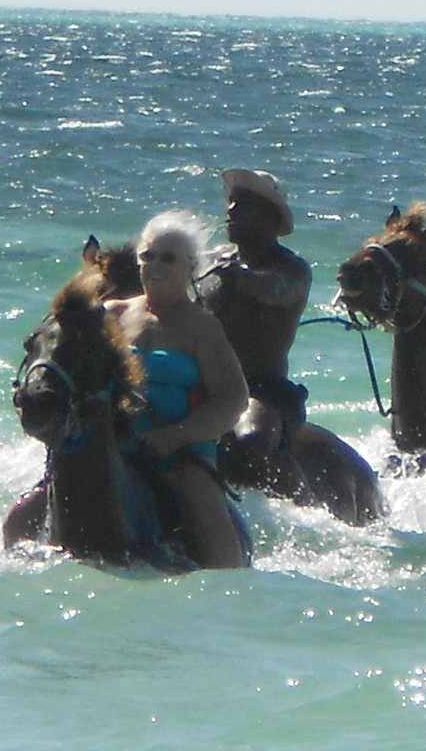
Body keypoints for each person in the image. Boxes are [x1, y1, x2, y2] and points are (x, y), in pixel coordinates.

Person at [105, 209, 250, 568]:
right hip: (116, 447)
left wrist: (175, 437)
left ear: (190, 266)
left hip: (182, 455)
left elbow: (233, 399)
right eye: (147, 256)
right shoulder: (112, 314)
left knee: (205, 512)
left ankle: (231, 585)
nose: (154, 266)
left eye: (167, 258)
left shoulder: (204, 328)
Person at [195, 169, 315, 502]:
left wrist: (240, 276)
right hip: (200, 379)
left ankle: (300, 504)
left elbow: (277, 290)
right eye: (231, 202)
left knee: (252, 441)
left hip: (261, 388)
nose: (230, 211)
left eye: (244, 204)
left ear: (269, 217)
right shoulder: (211, 261)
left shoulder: (292, 269)